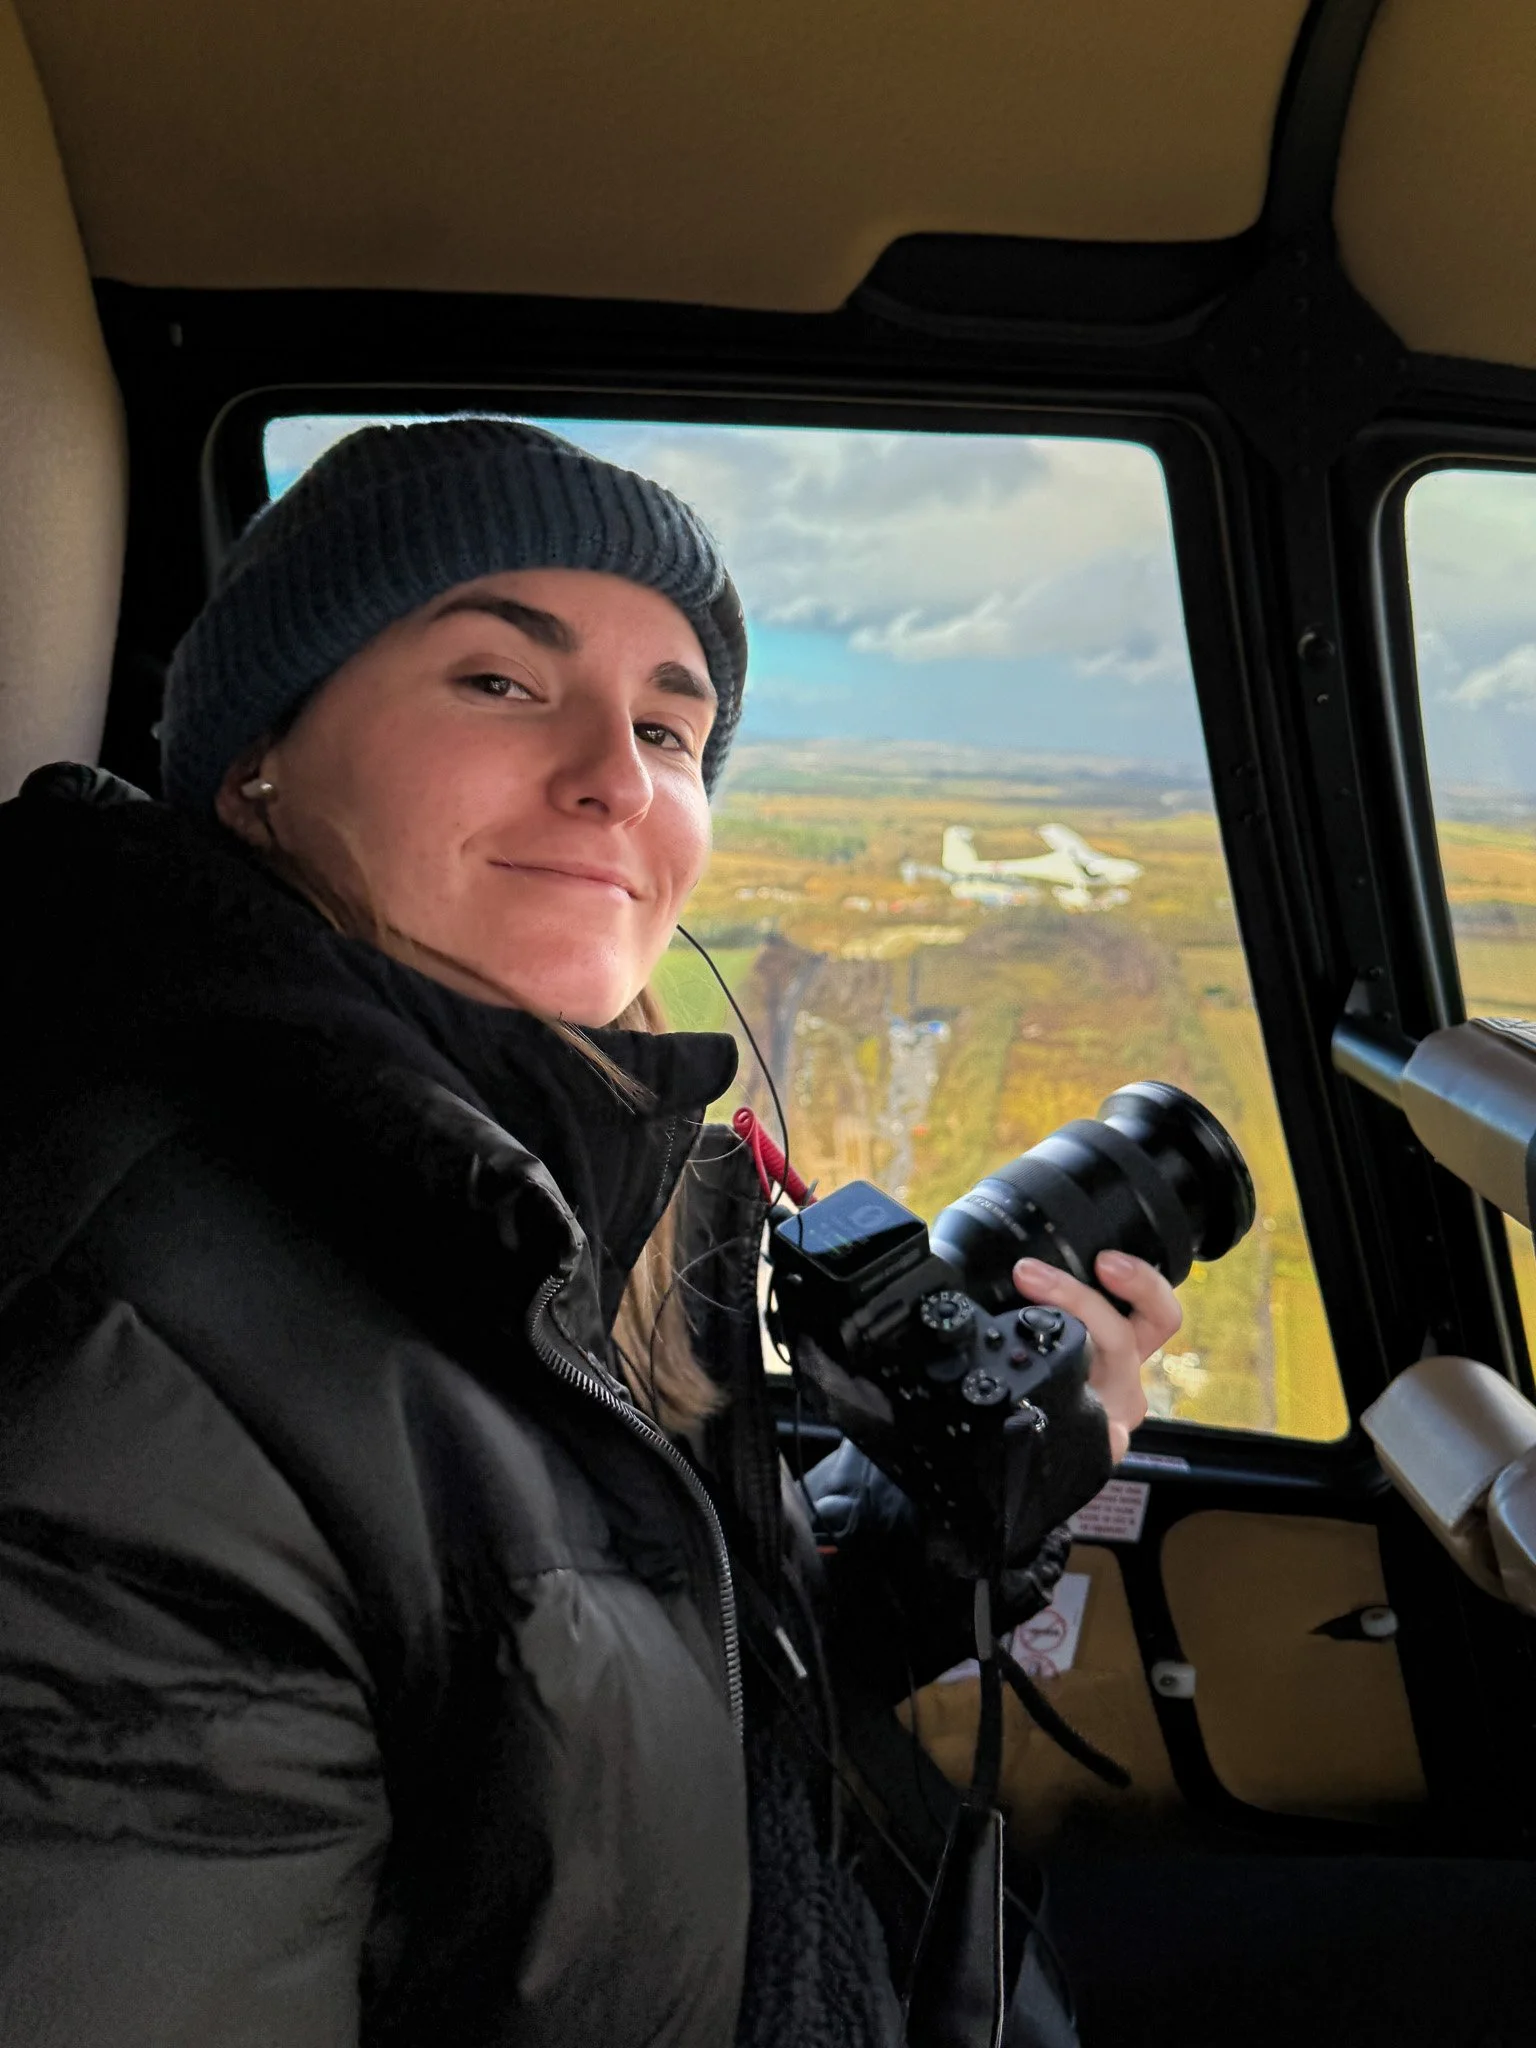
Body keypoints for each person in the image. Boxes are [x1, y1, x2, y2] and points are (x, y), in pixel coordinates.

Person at [0, 419, 1180, 2048]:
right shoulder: (122, 1392)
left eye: (669, 728)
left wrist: (956, 1520)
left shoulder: (557, 1194)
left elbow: (643, 1687)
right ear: (256, 761)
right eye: (499, 680)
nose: (616, 778)